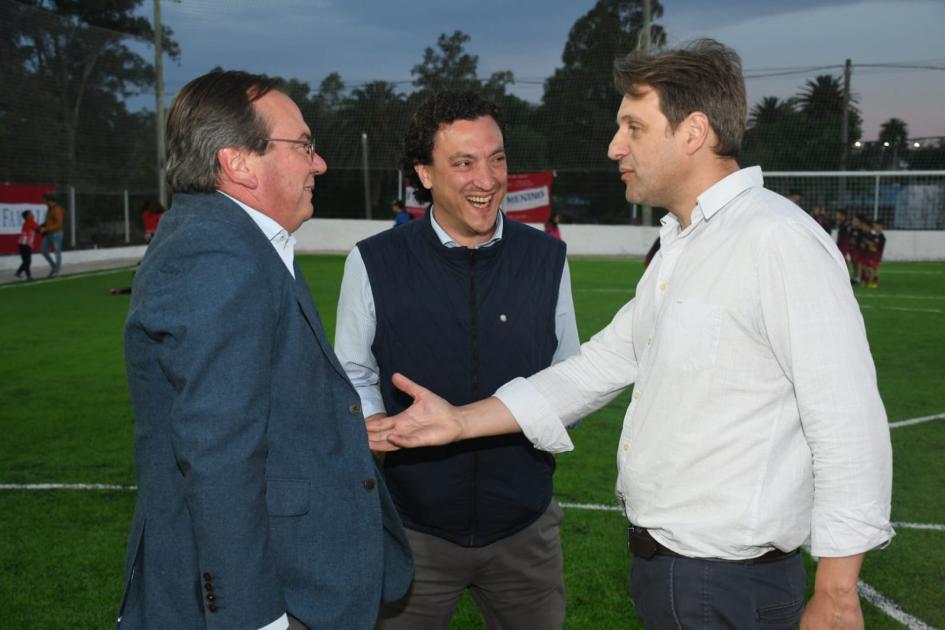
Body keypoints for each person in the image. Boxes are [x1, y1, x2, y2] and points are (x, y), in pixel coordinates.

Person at [373, 40, 893, 629]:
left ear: (692, 132)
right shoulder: (686, 245)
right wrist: (461, 421)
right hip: (675, 575)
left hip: (727, 581)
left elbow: (847, 417)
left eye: (633, 127)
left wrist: (838, 590)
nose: (615, 146)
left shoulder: (776, 240)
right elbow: (598, 366)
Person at [116, 69, 412, 630]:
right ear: (239, 162)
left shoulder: (241, 241)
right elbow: (218, 454)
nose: (318, 163)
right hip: (271, 595)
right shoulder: (218, 256)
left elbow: (258, 400)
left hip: (296, 575)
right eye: (303, 145)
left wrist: (342, 428)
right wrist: (255, 618)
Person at [335, 90, 580, 629]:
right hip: (414, 530)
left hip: (526, 531)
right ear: (424, 172)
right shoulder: (374, 261)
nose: (487, 180)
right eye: (463, 162)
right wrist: (373, 419)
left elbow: (571, 376)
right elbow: (352, 371)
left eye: (496, 159)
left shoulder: (545, 259)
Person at [39, 192, 64, 277]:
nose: (43, 202)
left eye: (44, 201)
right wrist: (42, 226)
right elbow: (50, 221)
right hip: (49, 233)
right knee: (43, 251)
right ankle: (54, 267)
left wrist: (46, 228)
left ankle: (56, 271)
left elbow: (59, 224)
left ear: (50, 201)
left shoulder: (57, 209)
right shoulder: (50, 209)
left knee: (57, 252)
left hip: (56, 234)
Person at [860, 219, 886, 288]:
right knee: (866, 267)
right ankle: (867, 280)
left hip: (877, 255)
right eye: (875, 225)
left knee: (876, 267)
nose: (876, 227)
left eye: (878, 226)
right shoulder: (872, 235)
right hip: (870, 254)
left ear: (881, 227)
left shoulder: (882, 237)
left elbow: (879, 247)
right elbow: (867, 243)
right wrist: (867, 244)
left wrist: (871, 244)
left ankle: (875, 281)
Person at [15, 210, 40, 281]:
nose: (32, 215)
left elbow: (37, 229)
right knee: (27, 261)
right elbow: (39, 229)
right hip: (25, 244)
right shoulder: (30, 222)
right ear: (27, 216)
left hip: (22, 244)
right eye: (30, 214)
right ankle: (25, 274)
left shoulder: (28, 222)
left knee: (26, 261)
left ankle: (21, 273)